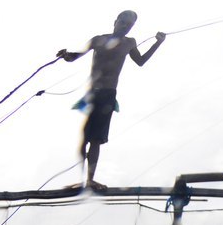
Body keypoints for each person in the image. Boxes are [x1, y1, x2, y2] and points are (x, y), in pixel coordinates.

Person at [57, 11, 165, 189]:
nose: (125, 26)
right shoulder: (98, 40)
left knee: (96, 139)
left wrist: (157, 43)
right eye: (123, 22)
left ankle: (90, 180)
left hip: (108, 94)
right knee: (85, 137)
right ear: (115, 21)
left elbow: (140, 61)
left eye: (129, 25)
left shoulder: (129, 42)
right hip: (92, 93)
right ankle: (83, 179)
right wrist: (65, 55)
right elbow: (75, 56)